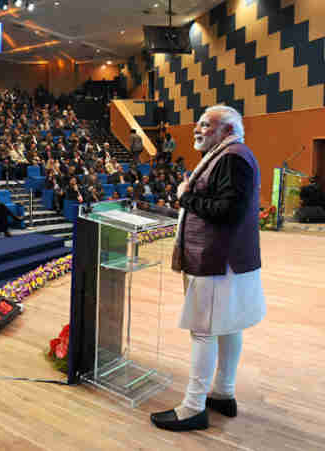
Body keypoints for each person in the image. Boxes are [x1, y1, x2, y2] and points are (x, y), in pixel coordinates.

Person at [151, 105, 265, 432]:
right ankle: (223, 393)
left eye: (206, 124)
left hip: (216, 260)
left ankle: (193, 408)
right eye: (198, 124)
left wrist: (186, 197)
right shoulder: (231, 153)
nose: (197, 129)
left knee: (203, 331)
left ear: (227, 130)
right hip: (228, 260)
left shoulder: (231, 157)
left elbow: (226, 212)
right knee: (228, 326)